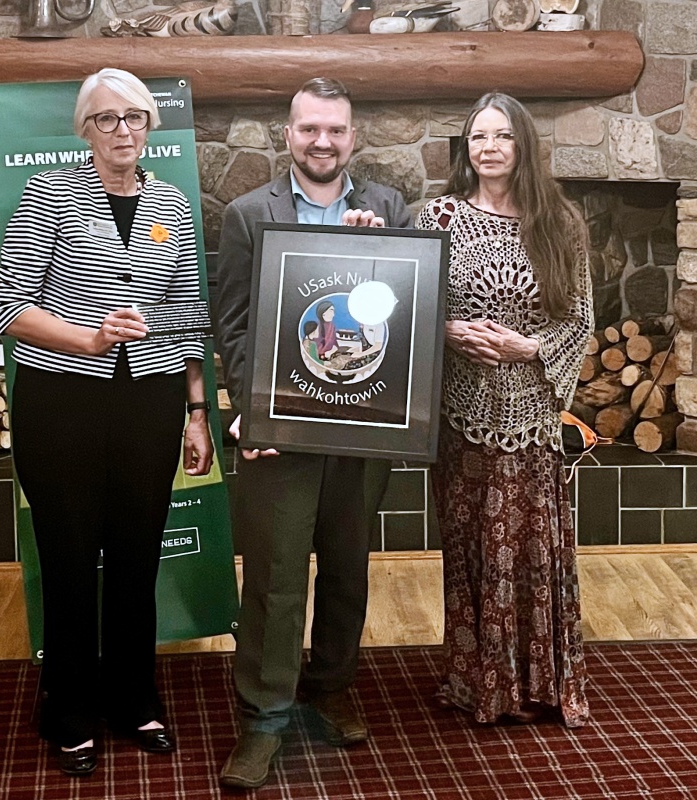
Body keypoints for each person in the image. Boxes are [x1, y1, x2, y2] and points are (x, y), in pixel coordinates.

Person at [0, 67, 214, 777]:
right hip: (63, 405)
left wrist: (198, 413)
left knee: (136, 558)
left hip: (150, 403)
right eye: (107, 119)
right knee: (67, 559)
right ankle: (67, 707)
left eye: (135, 117)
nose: (123, 130)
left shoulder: (172, 204)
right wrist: (87, 339)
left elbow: (187, 317)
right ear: (85, 130)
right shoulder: (49, 194)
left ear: (151, 126)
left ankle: (132, 699)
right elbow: (10, 309)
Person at [214, 77, 411, 789]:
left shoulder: (389, 208)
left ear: (353, 137)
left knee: (348, 567)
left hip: (362, 426)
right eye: (308, 129)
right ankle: (264, 718)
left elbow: (401, 315)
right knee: (274, 575)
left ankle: (331, 687)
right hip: (281, 429)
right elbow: (234, 325)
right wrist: (254, 411)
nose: (321, 142)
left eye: (334, 130)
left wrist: (378, 252)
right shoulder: (246, 214)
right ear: (287, 135)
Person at [415, 93, 593, 728]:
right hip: (460, 414)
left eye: (502, 136)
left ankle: (538, 682)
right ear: (465, 148)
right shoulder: (437, 216)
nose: (489, 148)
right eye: (478, 137)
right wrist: (448, 330)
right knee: (470, 548)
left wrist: (530, 347)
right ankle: (477, 680)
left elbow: (580, 318)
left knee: (530, 548)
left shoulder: (560, 222)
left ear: (523, 145)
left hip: (531, 417)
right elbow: (410, 300)